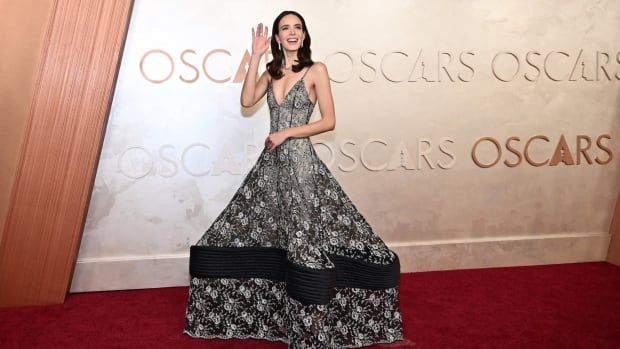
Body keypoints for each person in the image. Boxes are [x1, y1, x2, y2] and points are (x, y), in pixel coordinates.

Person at [184, 10, 403, 348]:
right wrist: (256, 55)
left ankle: (310, 324)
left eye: (297, 27)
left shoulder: (317, 70)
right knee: (274, 232)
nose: (291, 33)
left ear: (304, 34)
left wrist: (286, 132)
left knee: (303, 238)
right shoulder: (272, 71)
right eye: (284, 28)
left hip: (301, 164)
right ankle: (279, 316)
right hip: (272, 165)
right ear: (276, 37)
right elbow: (246, 101)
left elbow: (328, 120)